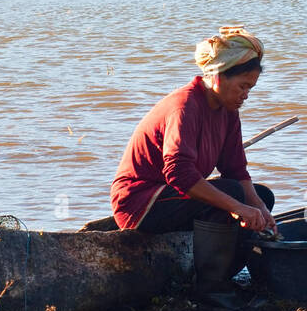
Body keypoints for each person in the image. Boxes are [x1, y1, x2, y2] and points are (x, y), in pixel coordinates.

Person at [110, 25, 276, 281]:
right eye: (242, 86)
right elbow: (178, 173)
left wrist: (260, 208)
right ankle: (211, 287)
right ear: (219, 77)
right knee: (233, 194)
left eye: (250, 89)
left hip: (174, 198)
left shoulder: (228, 112)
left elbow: (236, 169)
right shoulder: (185, 106)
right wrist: (238, 207)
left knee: (260, 194)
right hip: (139, 203)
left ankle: (223, 274)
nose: (245, 95)